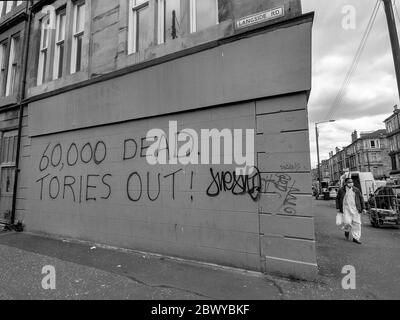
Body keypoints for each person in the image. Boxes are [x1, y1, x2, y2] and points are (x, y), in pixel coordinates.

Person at [336, 178, 365, 244]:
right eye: (349, 182)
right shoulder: (341, 190)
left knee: (357, 224)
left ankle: (356, 238)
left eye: (352, 182)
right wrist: (338, 207)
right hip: (346, 209)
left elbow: (361, 198)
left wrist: (363, 208)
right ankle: (347, 230)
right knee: (347, 222)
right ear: (345, 183)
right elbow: (337, 198)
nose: (351, 183)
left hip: (355, 209)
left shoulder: (356, 190)